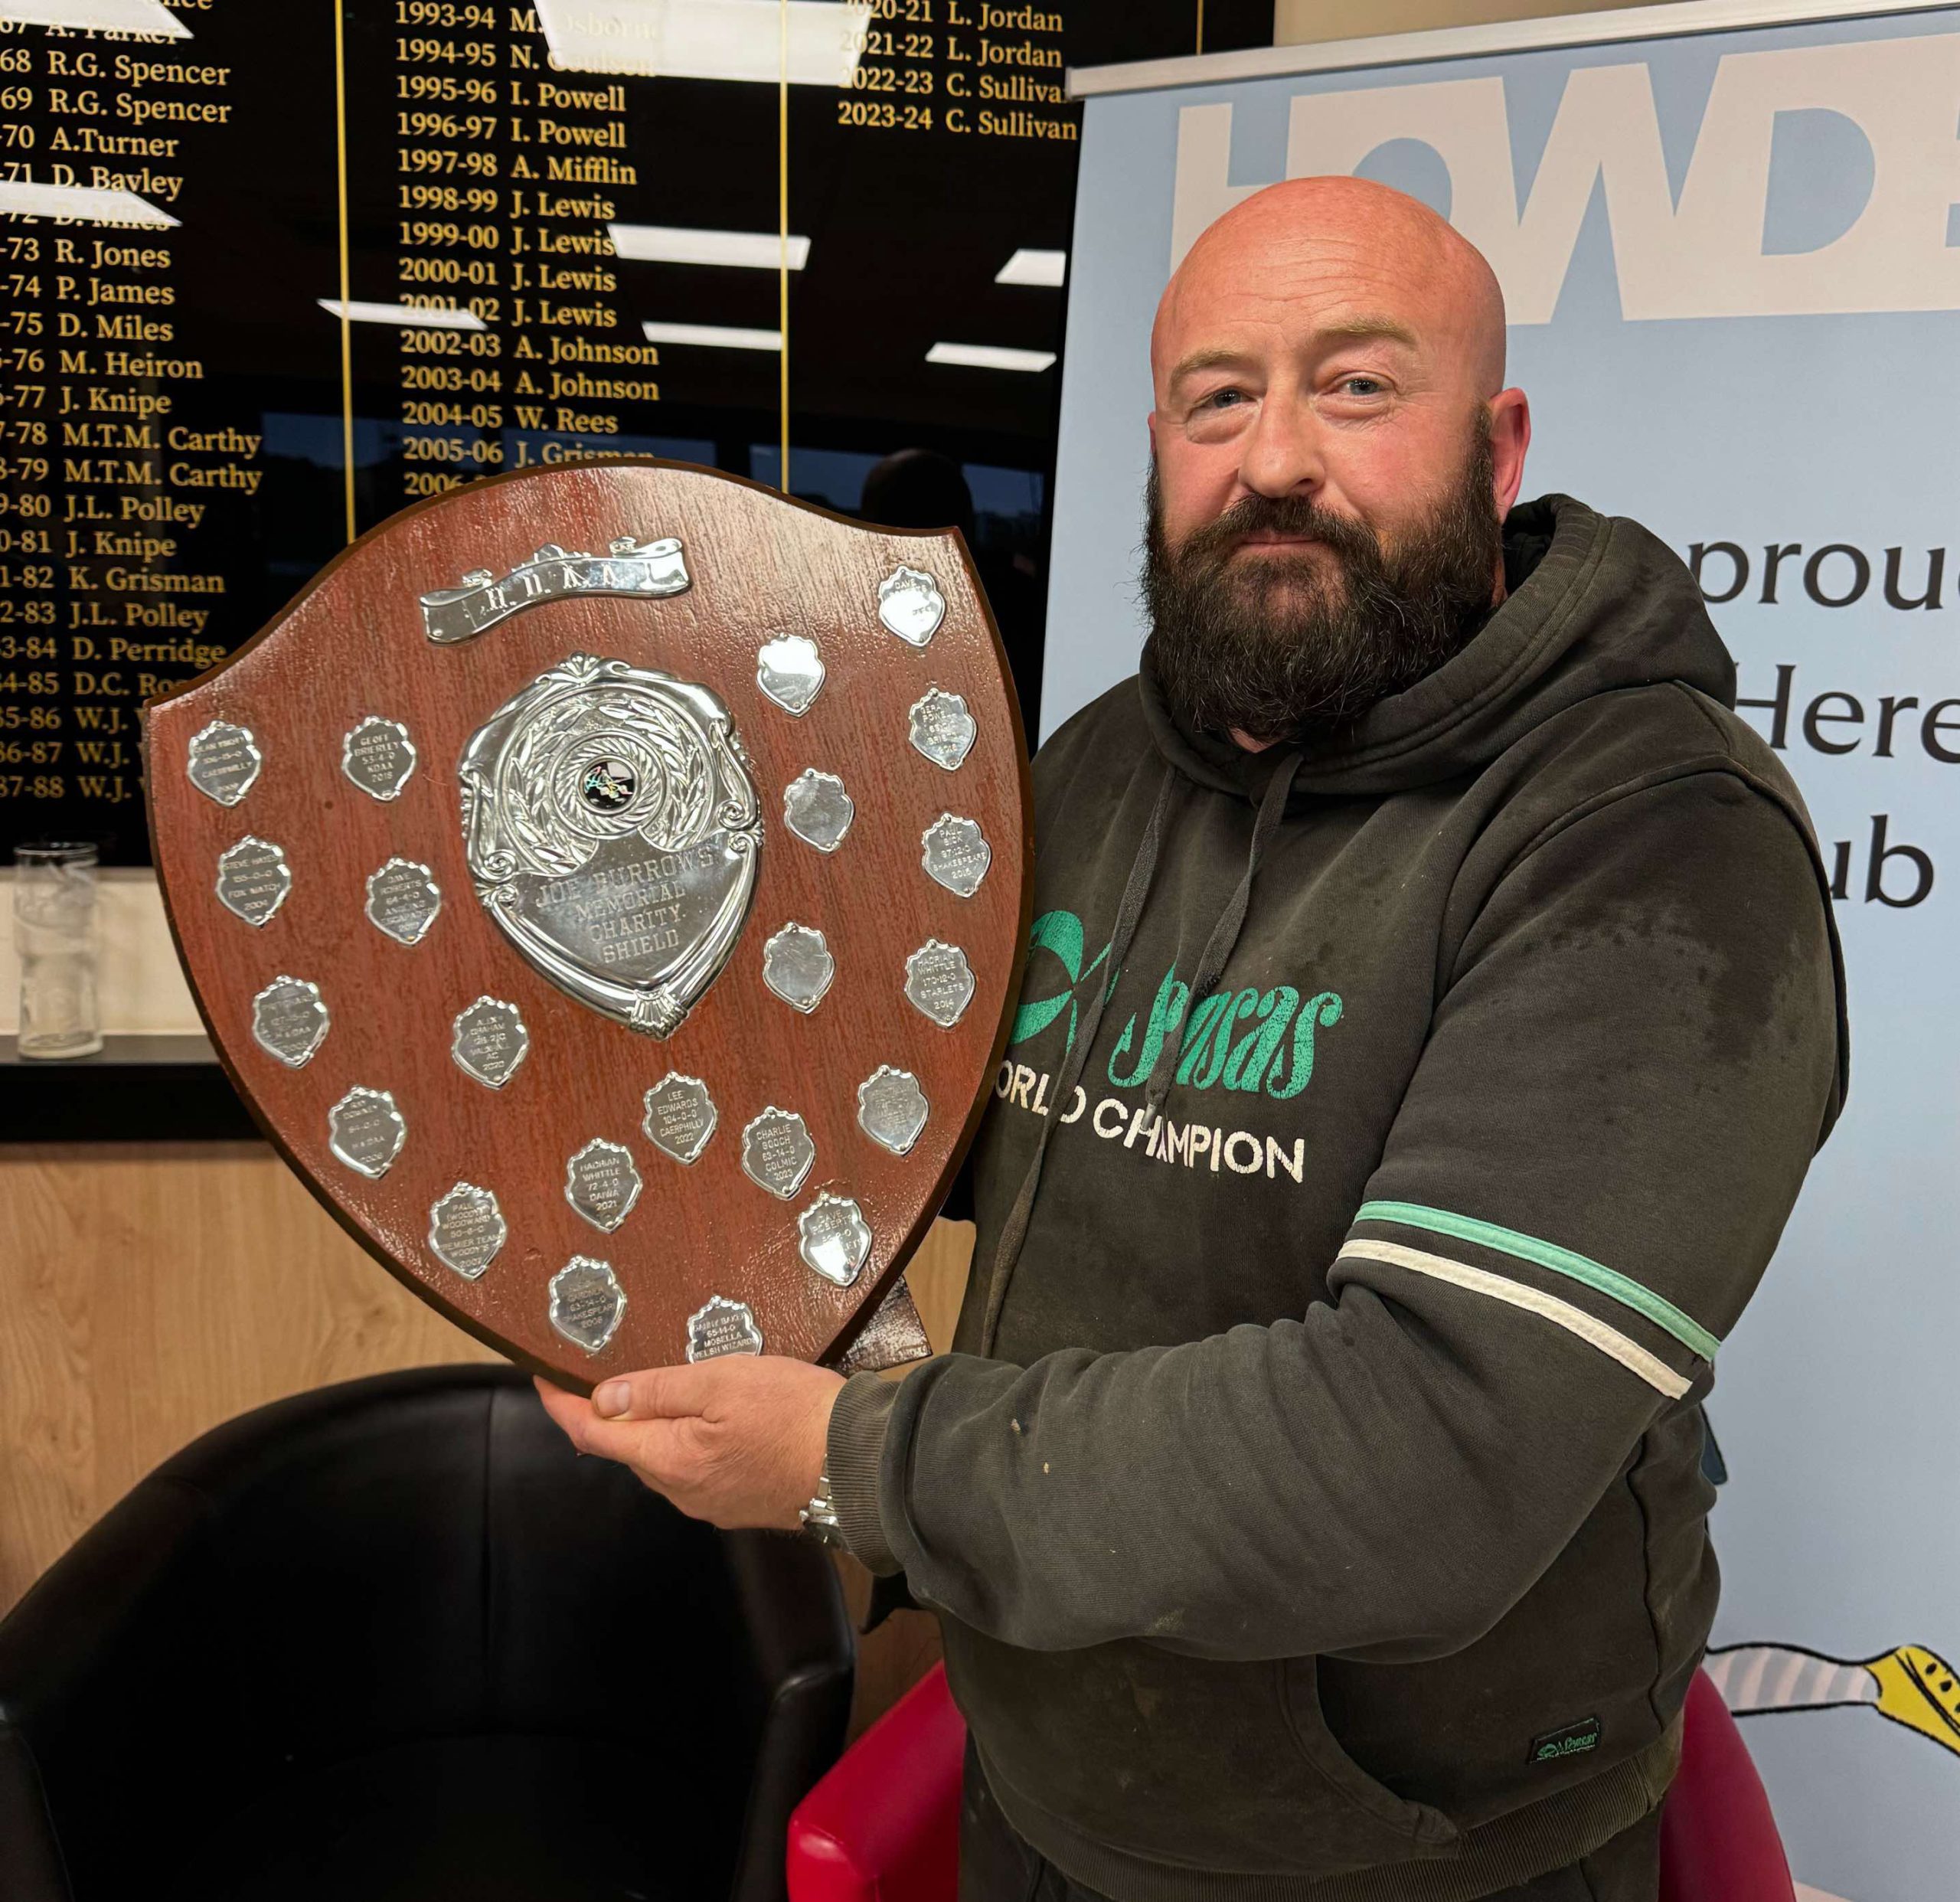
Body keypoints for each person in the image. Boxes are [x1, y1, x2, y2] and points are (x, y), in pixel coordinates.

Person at [537, 177, 1847, 1902]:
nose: (1275, 457)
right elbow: (885, 1124)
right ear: (1157, 443)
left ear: (1498, 441)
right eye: (1217, 398)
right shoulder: (1091, 766)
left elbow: (1425, 1458)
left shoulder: (1652, 844)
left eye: (1357, 387)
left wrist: (855, 1460)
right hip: (1050, 1781)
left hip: (1412, 1859)